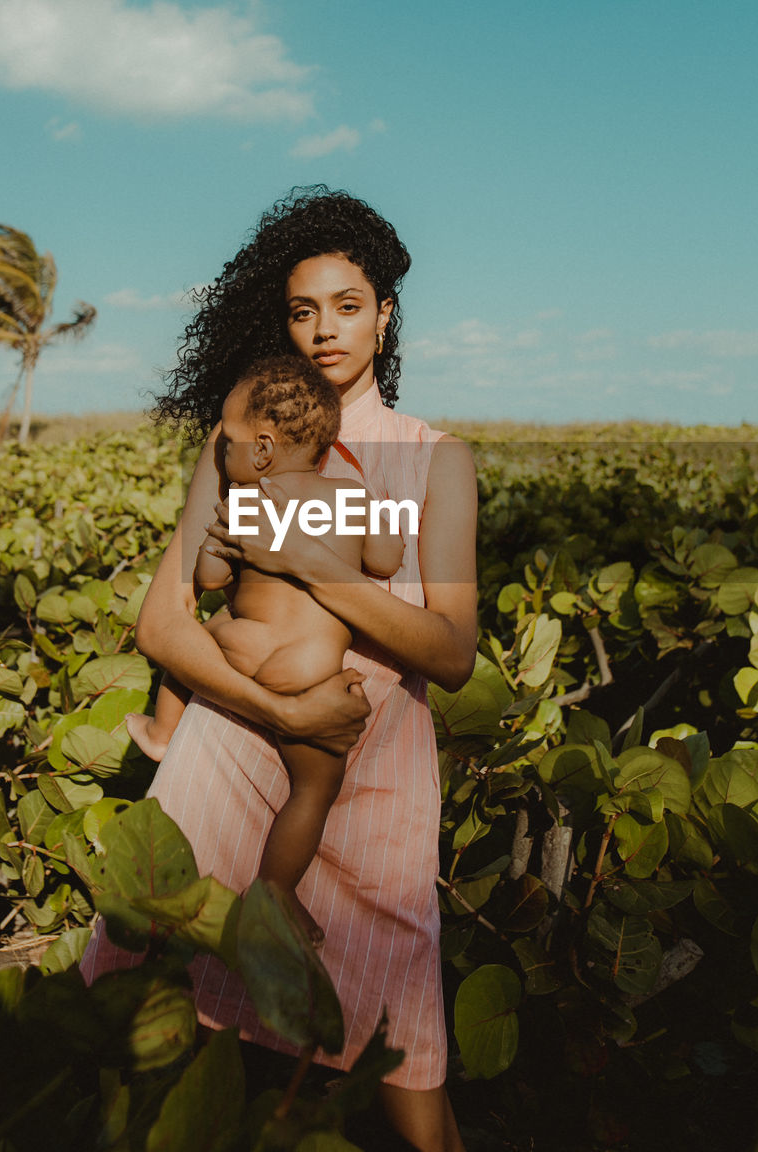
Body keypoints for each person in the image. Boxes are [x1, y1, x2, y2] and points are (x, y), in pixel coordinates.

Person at [81, 187, 477, 1152]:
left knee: (405, 1036)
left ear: (386, 313)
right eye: (303, 310)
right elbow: (163, 622)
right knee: (139, 991)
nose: (325, 330)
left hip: (372, 762)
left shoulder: (434, 459)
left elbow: (453, 653)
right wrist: (278, 712)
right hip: (238, 737)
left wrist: (310, 565)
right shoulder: (241, 442)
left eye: (347, 305)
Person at [125, 354, 404, 944]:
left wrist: (223, 545)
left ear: (263, 451)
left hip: (242, 648)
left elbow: (207, 578)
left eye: (227, 441)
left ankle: (163, 730)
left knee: (195, 635)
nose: (221, 452)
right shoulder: (352, 496)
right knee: (313, 791)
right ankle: (275, 891)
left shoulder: (246, 502)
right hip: (310, 669)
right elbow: (385, 562)